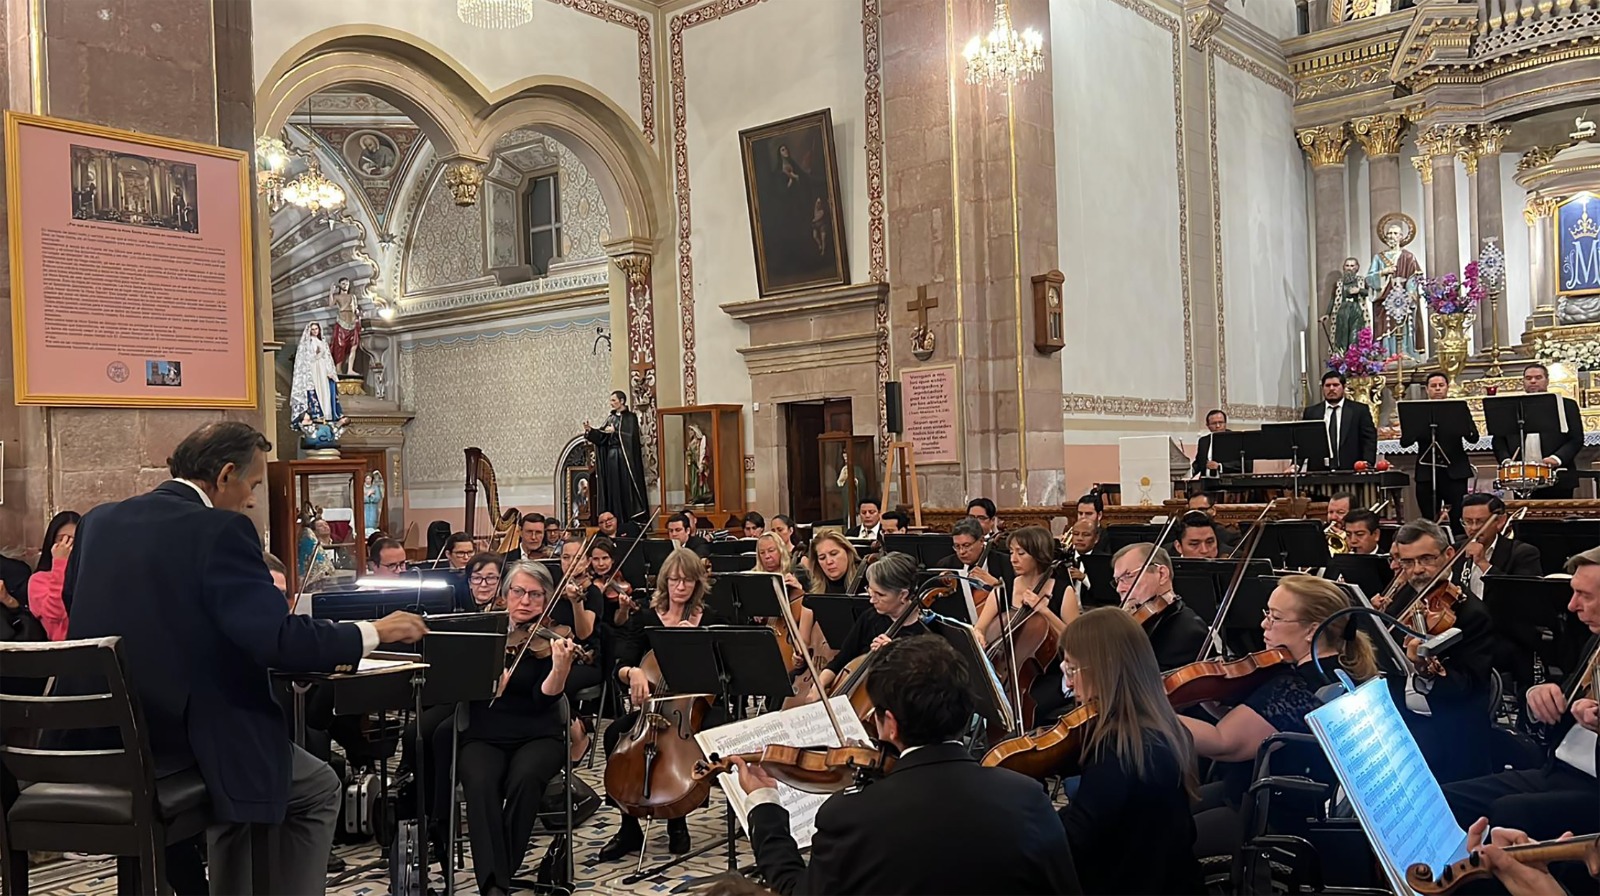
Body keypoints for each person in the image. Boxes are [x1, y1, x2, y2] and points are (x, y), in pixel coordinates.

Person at [60, 422, 428, 895]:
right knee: (313, 786)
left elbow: (78, 606)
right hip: (184, 742)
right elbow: (275, 638)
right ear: (226, 474)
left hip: (98, 739)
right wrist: (374, 631)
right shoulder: (220, 528)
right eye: (253, 485)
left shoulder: (100, 520)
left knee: (256, 769)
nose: (252, 499)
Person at [735, 636, 1082, 895]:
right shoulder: (1027, 797)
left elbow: (798, 890)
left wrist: (765, 806)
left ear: (891, 724)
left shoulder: (852, 815)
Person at [1183, 575, 1377, 856]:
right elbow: (1256, 724)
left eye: (1275, 617)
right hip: (1260, 795)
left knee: (1168, 839)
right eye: (1267, 613)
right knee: (1173, 807)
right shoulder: (1337, 671)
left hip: (1271, 815)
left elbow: (1224, 742)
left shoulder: (1298, 686)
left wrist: (1145, 709)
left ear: (1312, 630)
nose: (1264, 624)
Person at [1442, 545, 1600, 843]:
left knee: (1508, 813)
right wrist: (1538, 694)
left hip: (1593, 787)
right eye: (1574, 592)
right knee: (1446, 799)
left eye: (1585, 596)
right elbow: (1563, 706)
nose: (1572, 606)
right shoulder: (1595, 640)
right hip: (1558, 769)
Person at [438, 561, 577, 896]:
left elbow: (542, 700)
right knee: (479, 780)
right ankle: (493, 886)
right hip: (484, 732)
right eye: (518, 592)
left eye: (535, 594)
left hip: (538, 733)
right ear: (504, 594)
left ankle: (500, 872)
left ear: (546, 600)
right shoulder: (483, 632)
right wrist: (483, 685)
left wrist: (558, 671)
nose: (525, 601)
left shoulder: (551, 640)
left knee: (526, 778)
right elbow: (451, 686)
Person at [1056, 608, 1203, 894]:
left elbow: (1075, 840)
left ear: (1106, 666)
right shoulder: (1165, 726)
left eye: (1073, 669)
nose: (1070, 682)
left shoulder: (1116, 746)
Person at [600, 548, 728, 860]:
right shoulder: (646, 617)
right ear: (664, 582)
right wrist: (634, 673)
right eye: (674, 580)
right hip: (654, 708)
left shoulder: (711, 619)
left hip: (695, 708)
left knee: (692, 746)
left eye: (687, 581)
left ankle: (677, 820)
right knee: (613, 734)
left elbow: (724, 674)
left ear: (698, 584)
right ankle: (629, 826)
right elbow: (622, 660)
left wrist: (697, 646)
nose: (680, 587)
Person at [1380, 519, 1497, 784]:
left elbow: (1465, 688)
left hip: (1447, 726)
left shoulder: (1471, 614)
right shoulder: (1404, 596)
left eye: (1426, 559)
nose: (1417, 570)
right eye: (1408, 562)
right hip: (1402, 715)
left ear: (1449, 555)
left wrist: (1426, 672)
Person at [973, 526, 1079, 721]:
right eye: (1011, 552)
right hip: (1005, 671)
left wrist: (1043, 610)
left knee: (1031, 706)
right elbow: (979, 627)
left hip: (1047, 673)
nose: (1013, 559)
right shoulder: (1003, 589)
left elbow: (1076, 641)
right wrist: (979, 635)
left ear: (1039, 554)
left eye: (1021, 553)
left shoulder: (1064, 592)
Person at [809, 553, 930, 699]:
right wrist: (819, 685)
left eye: (880, 594)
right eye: (870, 590)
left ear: (903, 595)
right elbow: (842, 659)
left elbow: (922, 691)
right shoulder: (870, 617)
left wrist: (897, 657)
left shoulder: (925, 634)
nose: (872, 600)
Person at [1493, 363, 1586, 498]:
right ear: (1523, 381)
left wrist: (1556, 458)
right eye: (1528, 378)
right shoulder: (1511, 407)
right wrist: (1506, 461)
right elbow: (1498, 440)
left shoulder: (1567, 406)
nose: (1533, 381)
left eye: (1538, 377)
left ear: (1547, 381)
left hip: (1558, 475)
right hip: (1520, 478)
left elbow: (1576, 438)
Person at [1111, 543, 1208, 671]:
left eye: (1128, 576)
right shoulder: (1137, 621)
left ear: (1162, 574)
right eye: (1118, 580)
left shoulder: (1187, 628)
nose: (1119, 589)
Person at [1403, 372, 1478, 527]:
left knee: (1458, 516)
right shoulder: (1417, 412)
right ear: (1427, 389)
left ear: (1447, 388)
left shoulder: (1458, 409)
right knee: (1428, 519)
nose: (1437, 389)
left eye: (1441, 385)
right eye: (1433, 386)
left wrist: (1460, 426)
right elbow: (1405, 442)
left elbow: (1473, 438)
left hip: (1455, 472)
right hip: (1427, 473)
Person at [1454, 493, 1541, 597]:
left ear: (1500, 521)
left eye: (1480, 521)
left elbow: (1524, 595)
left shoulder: (1523, 553)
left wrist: (1483, 563)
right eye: (1467, 522)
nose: (1473, 528)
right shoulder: (1455, 551)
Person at [585, 390, 649, 530]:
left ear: (622, 401)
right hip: (611, 459)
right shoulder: (611, 418)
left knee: (625, 488)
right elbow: (603, 437)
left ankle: (628, 519)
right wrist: (591, 431)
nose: (611, 403)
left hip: (624, 459)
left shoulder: (630, 418)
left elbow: (630, 437)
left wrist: (616, 432)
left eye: (614, 400)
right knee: (613, 489)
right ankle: (615, 517)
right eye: (611, 400)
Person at [1303, 371, 1378, 470]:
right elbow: (1304, 441)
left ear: (1343, 387)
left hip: (1351, 470)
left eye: (1335, 385)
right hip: (1319, 471)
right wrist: (1296, 465)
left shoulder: (1359, 410)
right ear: (1322, 388)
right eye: (1327, 385)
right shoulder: (1311, 412)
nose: (1331, 389)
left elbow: (1369, 438)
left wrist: (1367, 463)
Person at [28, 510, 80, 641]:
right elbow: (54, 614)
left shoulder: (88, 576)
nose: (68, 546)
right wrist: (60, 563)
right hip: (61, 650)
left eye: (74, 541)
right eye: (62, 539)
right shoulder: (39, 580)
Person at [1060, 519, 1109, 607]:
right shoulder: (1062, 559)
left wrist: (1084, 579)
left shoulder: (1104, 561)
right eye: (1075, 534)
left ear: (1096, 538)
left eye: (1086, 535)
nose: (1079, 538)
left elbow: (1106, 595)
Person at [1330, 256, 1370, 354]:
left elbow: (1370, 292)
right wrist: (1327, 314)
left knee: (1354, 336)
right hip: (1342, 311)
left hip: (1356, 310)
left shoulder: (1361, 280)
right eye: (1347, 266)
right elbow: (1332, 299)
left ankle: (1354, 358)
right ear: (1344, 268)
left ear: (1357, 268)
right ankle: (1341, 359)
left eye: (1352, 266)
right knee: (1342, 338)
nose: (1349, 268)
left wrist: (1359, 290)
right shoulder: (1339, 283)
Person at [326, 277, 362, 377]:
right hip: (342, 322)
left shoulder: (352, 296)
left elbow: (355, 308)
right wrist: (331, 292)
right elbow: (330, 304)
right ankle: (338, 368)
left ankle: (350, 369)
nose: (345, 285)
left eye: (346, 284)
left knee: (353, 346)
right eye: (343, 284)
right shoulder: (337, 297)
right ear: (340, 285)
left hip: (352, 322)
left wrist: (358, 314)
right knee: (340, 347)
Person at [1192, 408, 1242, 476]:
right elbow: (1199, 463)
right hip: (1207, 482)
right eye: (1214, 423)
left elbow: (1243, 464)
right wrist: (1189, 469)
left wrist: (1220, 466)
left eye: (1221, 422)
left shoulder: (1235, 439)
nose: (1218, 426)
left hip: (1228, 481)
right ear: (1208, 425)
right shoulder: (1203, 441)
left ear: (1225, 423)